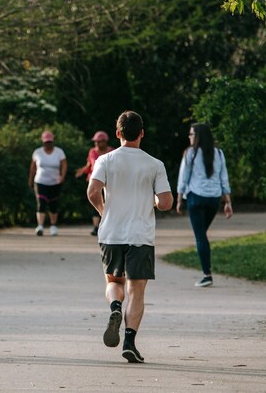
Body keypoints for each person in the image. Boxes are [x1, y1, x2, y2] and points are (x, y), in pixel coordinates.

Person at [87, 111, 173, 364]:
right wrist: (155, 200)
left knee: (114, 281)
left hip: (111, 232)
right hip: (140, 235)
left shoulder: (105, 160)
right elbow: (166, 202)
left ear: (117, 134)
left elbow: (93, 192)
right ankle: (129, 341)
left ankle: (114, 307)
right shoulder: (154, 164)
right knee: (137, 290)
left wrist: (105, 212)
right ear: (142, 133)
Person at [176, 122, 233, 288]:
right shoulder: (219, 153)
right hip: (213, 200)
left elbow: (183, 177)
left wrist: (179, 198)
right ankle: (206, 271)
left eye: (191, 134)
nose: (189, 137)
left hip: (196, 198)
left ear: (198, 136)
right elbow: (224, 178)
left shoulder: (190, 154)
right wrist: (227, 201)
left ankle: (207, 275)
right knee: (202, 235)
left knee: (200, 236)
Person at [75, 131, 115, 235]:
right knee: (96, 201)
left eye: (99, 141)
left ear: (105, 141)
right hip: (94, 180)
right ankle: (96, 227)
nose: (97, 143)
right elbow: (89, 165)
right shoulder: (92, 152)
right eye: (95, 141)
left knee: (109, 201)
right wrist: (81, 171)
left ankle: (108, 224)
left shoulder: (112, 152)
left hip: (108, 181)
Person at [29, 130, 67, 236]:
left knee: (53, 204)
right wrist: (30, 180)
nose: (48, 144)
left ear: (53, 141)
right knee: (41, 203)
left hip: (55, 182)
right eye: (46, 142)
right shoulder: (37, 152)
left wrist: (62, 177)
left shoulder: (59, 152)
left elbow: (64, 165)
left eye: (49, 142)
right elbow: (32, 168)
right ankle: (40, 225)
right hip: (40, 181)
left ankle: (53, 225)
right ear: (43, 142)